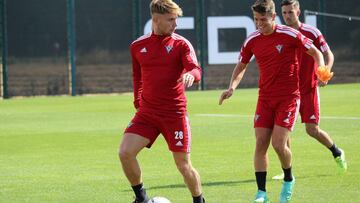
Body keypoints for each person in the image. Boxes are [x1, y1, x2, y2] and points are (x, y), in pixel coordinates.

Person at [218, 0, 327, 202]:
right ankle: (261, 193)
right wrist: (231, 87)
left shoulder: (290, 34)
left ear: (273, 17)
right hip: (265, 99)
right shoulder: (252, 40)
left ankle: (288, 179)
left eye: (263, 20)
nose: (259, 24)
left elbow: (317, 53)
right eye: (256, 20)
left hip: (289, 99)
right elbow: (240, 66)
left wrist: (321, 71)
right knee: (260, 143)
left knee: (278, 144)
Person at [118, 0, 205, 203]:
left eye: (176, 19)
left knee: (183, 165)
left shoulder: (181, 44)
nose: (176, 24)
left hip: (174, 114)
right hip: (147, 113)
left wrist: (191, 74)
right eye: (171, 19)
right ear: (156, 19)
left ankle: (199, 200)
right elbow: (137, 77)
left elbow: (196, 69)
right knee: (125, 153)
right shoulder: (138, 46)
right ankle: (141, 198)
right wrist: (137, 101)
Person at [277, 0, 347, 177]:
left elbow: (327, 53)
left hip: (308, 89)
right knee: (283, 130)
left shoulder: (311, 32)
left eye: (290, 12)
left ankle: (337, 152)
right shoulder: (280, 33)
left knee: (312, 130)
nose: (287, 16)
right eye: (284, 13)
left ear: (298, 12)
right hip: (288, 91)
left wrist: (325, 70)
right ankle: (287, 172)